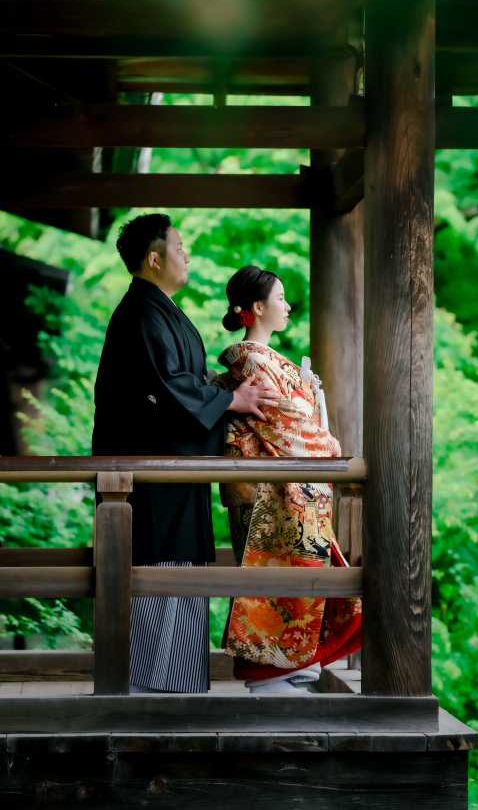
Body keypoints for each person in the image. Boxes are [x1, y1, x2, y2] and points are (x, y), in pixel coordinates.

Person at [92, 214, 276, 695]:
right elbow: (167, 389)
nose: (187, 255)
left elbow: (183, 383)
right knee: (160, 565)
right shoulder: (141, 313)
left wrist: (221, 391)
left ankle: (172, 683)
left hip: (171, 463)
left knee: (179, 566)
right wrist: (230, 400)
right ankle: (150, 686)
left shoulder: (157, 309)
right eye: (179, 247)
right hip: (151, 468)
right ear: (154, 259)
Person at [213, 265, 361, 696]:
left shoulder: (267, 359)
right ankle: (271, 678)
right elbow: (286, 423)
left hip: (293, 489)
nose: (288, 305)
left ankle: (296, 670)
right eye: (280, 298)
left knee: (304, 583)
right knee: (276, 588)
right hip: (270, 494)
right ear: (258, 308)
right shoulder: (249, 360)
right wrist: (330, 445)